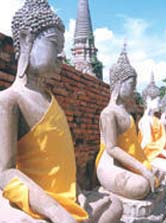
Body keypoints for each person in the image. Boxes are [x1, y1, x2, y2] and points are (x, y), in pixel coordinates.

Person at [0, 0, 122, 222]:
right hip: (40, 200)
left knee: (115, 204)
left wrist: (76, 192)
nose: (61, 56)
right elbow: (5, 173)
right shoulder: (9, 100)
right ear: (27, 40)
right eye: (54, 45)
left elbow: (60, 162)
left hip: (67, 197)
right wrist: (56, 211)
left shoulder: (51, 99)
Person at [95, 44, 160, 199]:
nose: (133, 90)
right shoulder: (108, 113)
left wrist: (144, 167)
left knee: (158, 173)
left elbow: (133, 146)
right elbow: (112, 149)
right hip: (109, 164)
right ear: (118, 84)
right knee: (141, 186)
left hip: (126, 163)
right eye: (131, 85)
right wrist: (142, 169)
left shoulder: (128, 114)